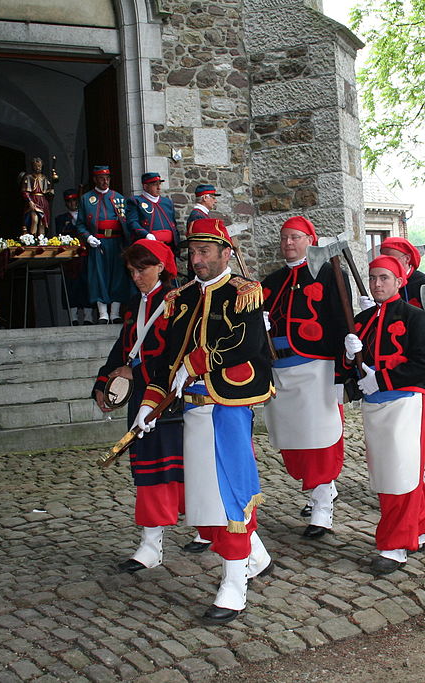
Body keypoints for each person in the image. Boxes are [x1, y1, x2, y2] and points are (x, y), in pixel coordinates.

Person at [138, 218, 274, 625]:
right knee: (206, 497)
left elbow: (248, 343)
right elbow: (167, 359)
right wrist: (151, 401)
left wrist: (198, 363)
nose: (195, 260)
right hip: (193, 410)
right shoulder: (181, 299)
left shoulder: (244, 293)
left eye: (204, 252)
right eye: (192, 253)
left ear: (226, 253)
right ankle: (258, 556)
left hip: (230, 404)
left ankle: (235, 583)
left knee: (232, 493)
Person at [93, 240, 189, 572]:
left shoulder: (179, 302)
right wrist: (103, 381)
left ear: (161, 267)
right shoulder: (134, 305)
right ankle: (151, 545)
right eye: (131, 270)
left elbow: (175, 354)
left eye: (142, 269)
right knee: (148, 472)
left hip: (171, 401)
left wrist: (133, 371)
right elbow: (124, 347)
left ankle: (209, 532)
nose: (136, 276)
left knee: (188, 471)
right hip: (140, 400)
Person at [342, 255, 425, 574]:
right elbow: (352, 369)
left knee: (399, 472)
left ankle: (394, 545)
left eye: (384, 278)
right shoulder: (363, 319)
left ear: (399, 281)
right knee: (392, 470)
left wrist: (381, 378)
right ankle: (424, 525)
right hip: (374, 405)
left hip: (405, 401)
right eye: (372, 278)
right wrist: (348, 354)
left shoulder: (414, 316)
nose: (377, 283)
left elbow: (422, 364)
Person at [261, 216, 351, 539]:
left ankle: (323, 505)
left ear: (310, 240)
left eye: (295, 237)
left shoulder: (329, 274)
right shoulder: (270, 283)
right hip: (281, 372)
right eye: (284, 237)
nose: (288, 243)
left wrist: (342, 374)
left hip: (317, 370)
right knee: (293, 441)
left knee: (320, 440)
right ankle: (316, 491)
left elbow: (343, 323)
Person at [378, 236, 425, 498]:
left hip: (419, 367)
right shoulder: (380, 285)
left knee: (423, 424)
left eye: (391, 255)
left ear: (406, 260)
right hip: (387, 373)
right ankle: (403, 477)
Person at [76, 165, 132, 324]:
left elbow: (126, 222)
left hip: (116, 243)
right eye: (101, 178)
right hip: (98, 244)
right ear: (95, 179)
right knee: (98, 277)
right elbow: (80, 224)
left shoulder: (118, 197)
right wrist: (88, 238)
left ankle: (114, 313)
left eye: (107, 178)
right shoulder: (86, 199)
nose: (105, 181)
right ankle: (103, 314)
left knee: (117, 276)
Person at [54, 189, 93, 325]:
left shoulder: (86, 217)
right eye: (69, 201)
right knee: (71, 287)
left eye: (75, 200)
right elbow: (61, 235)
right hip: (70, 258)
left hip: (85, 256)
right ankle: (73, 318)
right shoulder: (61, 219)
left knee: (87, 285)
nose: (73, 204)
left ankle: (88, 317)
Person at [126, 172, 180, 254]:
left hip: (169, 248)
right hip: (149, 249)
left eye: (159, 184)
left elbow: (173, 224)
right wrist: (146, 234)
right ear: (145, 186)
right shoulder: (136, 201)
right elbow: (132, 222)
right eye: (155, 184)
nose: (158, 188)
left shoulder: (167, 202)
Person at [20, 156, 57, 236]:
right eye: (36, 166)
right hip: (33, 200)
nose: (38, 168)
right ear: (33, 166)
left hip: (43, 202)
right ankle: (32, 240)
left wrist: (51, 192)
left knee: (42, 222)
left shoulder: (45, 178)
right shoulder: (29, 177)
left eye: (39, 166)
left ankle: (41, 240)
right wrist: (30, 201)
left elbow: (48, 194)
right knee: (35, 219)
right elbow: (25, 192)